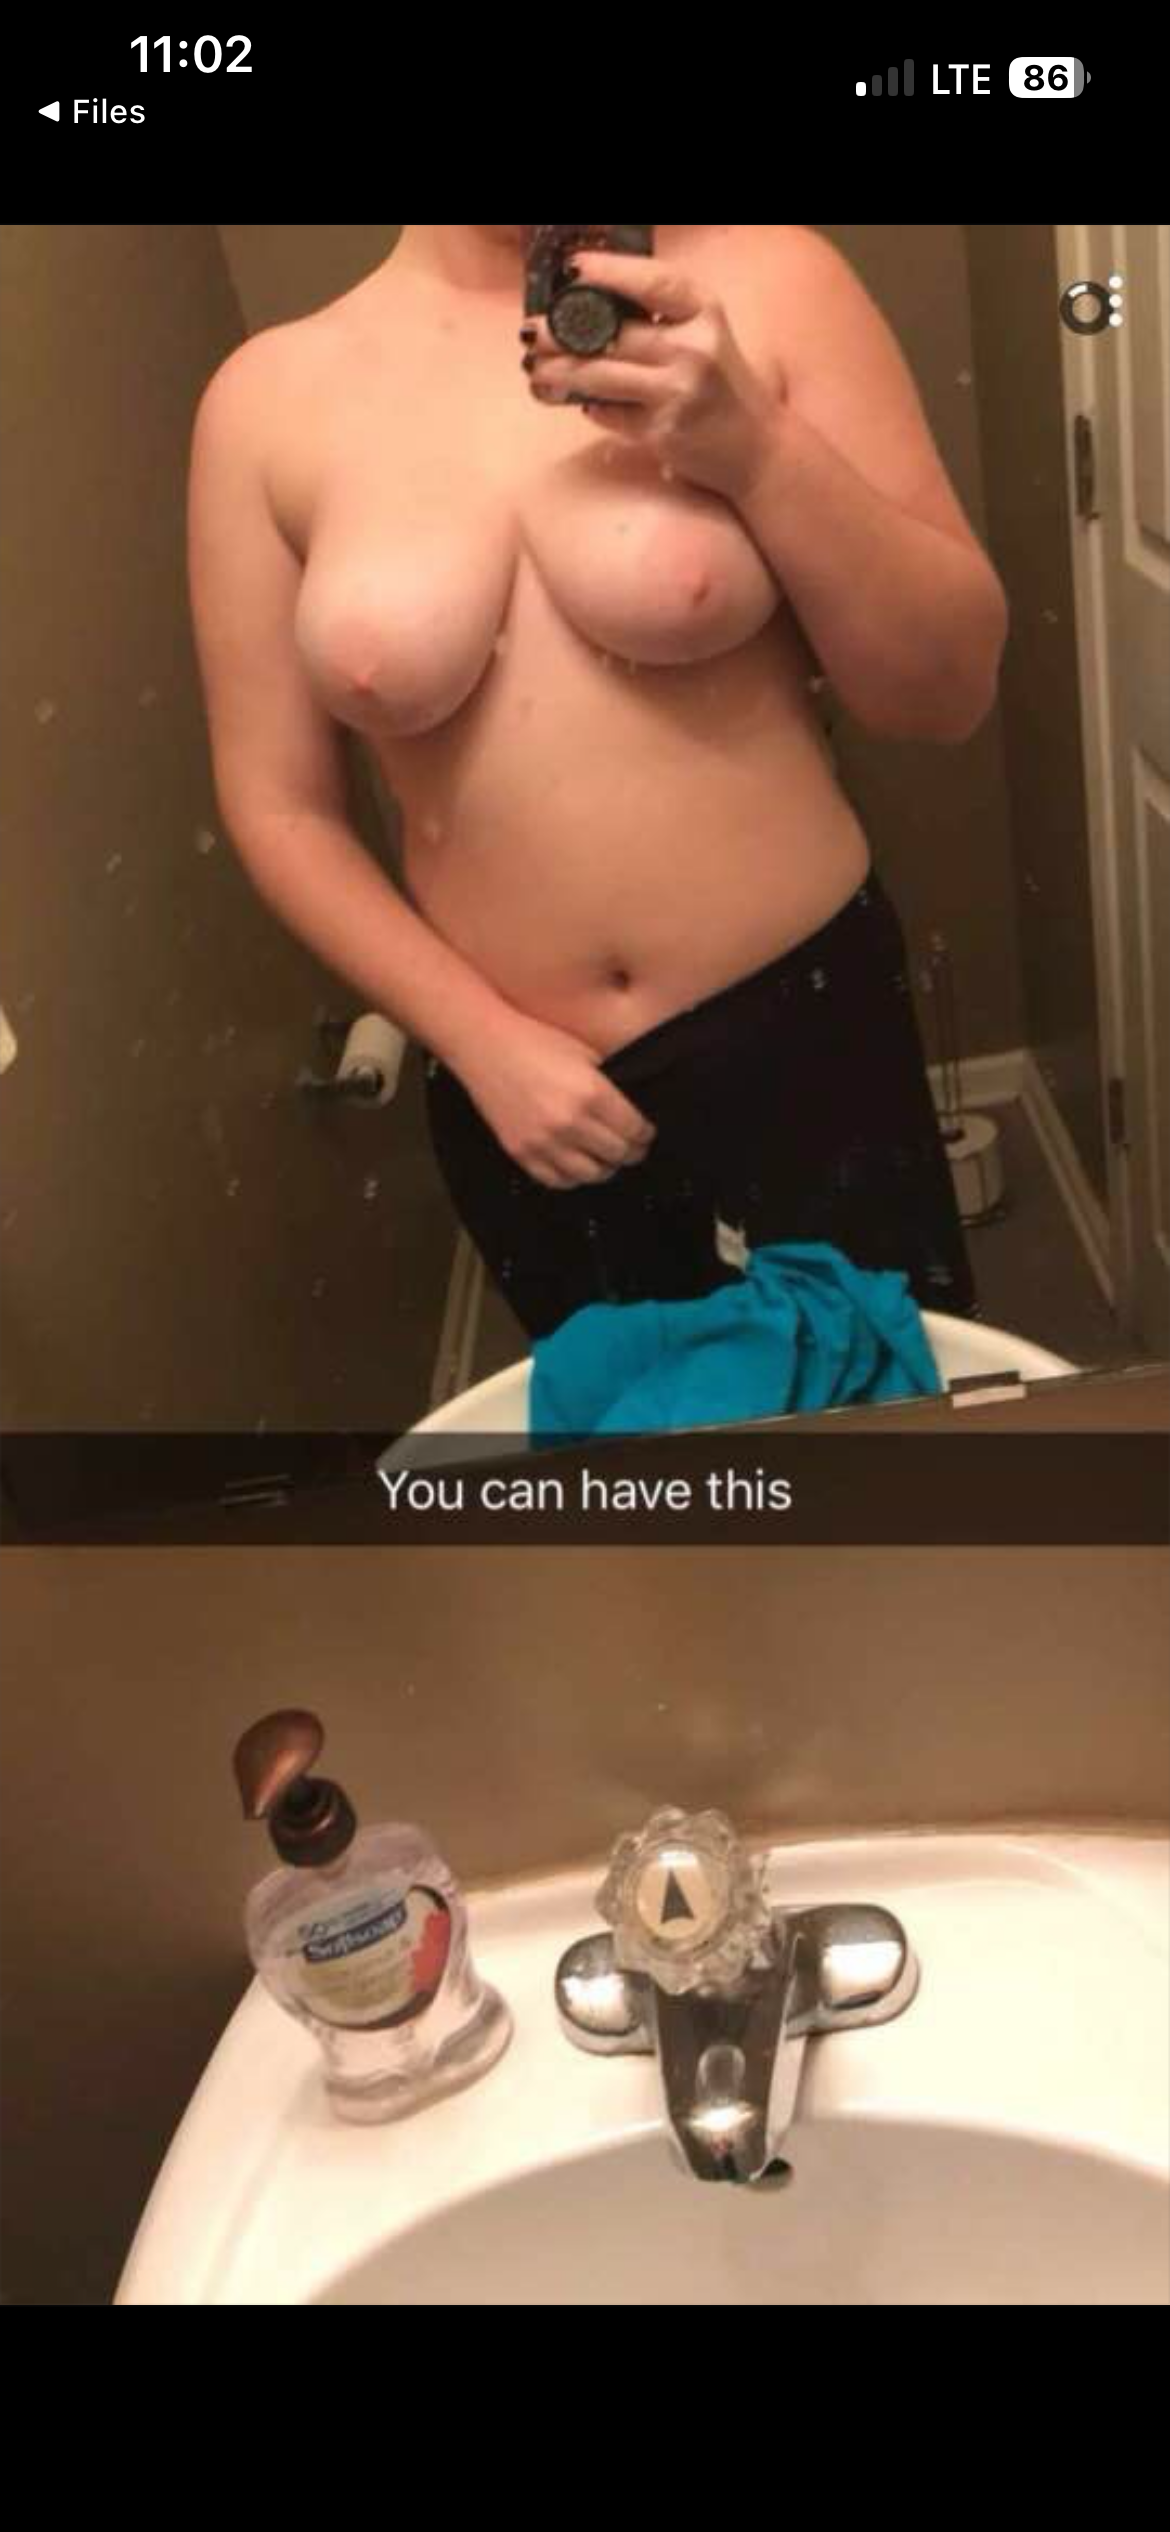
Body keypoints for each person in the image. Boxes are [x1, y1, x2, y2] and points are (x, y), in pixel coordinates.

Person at [190, 224, 1007, 1336]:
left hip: (807, 1032)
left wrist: (758, 450)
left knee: (881, 1421)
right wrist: (477, 1042)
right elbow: (279, 806)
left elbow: (945, 693)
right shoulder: (264, 401)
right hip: (523, 1093)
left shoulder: (772, 282)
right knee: (640, 1447)